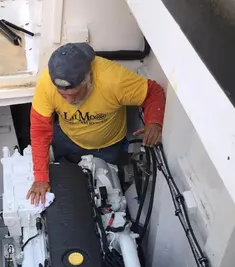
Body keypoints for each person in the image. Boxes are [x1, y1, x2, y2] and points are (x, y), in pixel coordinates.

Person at [26, 42, 166, 205]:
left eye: (75, 94)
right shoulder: (46, 84)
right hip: (67, 140)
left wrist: (154, 122)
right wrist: (41, 177)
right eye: (63, 96)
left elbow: (153, 92)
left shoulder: (113, 79)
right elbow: (40, 130)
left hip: (109, 148)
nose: (70, 101)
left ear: (89, 77)